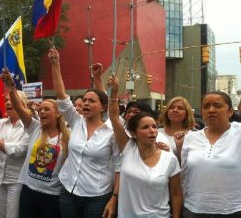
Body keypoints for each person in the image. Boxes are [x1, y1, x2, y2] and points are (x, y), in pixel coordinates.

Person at [49, 48, 118, 218]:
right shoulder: (76, 120)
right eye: (84, 100)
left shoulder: (112, 131)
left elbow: (120, 167)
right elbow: (61, 95)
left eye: (91, 101)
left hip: (97, 197)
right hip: (68, 192)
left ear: (103, 107)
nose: (86, 103)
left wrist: (114, 198)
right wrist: (55, 64)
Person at [108, 75, 182, 217]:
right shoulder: (128, 147)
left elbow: (176, 193)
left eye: (154, 126)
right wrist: (115, 93)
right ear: (134, 134)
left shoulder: (169, 158)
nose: (152, 130)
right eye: (145, 127)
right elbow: (113, 116)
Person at [1, 68, 70, 218]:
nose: (42, 112)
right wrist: (11, 87)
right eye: (41, 109)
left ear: (58, 113)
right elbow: (18, 107)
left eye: (47, 109)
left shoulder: (68, 137)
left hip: (53, 195)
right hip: (28, 191)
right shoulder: (35, 127)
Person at [179, 91, 241, 217]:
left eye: (217, 105)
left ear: (230, 111)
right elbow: (184, 175)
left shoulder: (238, 133)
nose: (211, 110)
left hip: (232, 210)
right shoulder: (191, 137)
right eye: (206, 106)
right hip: (193, 209)